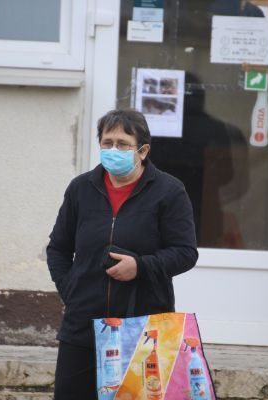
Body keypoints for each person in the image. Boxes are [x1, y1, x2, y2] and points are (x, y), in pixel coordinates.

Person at [46, 109, 198, 400]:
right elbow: (58, 249)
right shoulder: (81, 189)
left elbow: (185, 252)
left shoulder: (169, 191)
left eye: (123, 144)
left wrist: (140, 267)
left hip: (143, 328)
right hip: (83, 325)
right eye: (107, 142)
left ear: (143, 151)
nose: (113, 149)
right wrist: (71, 290)